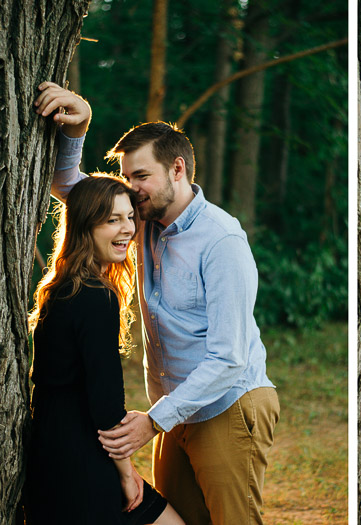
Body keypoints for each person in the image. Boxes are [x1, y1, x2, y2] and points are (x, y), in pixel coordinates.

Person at [36, 81, 280, 525]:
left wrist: (152, 421)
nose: (131, 189)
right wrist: (79, 127)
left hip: (228, 404)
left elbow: (229, 358)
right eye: (127, 177)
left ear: (178, 169)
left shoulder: (221, 240)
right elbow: (72, 189)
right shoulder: (138, 219)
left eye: (140, 176)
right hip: (175, 409)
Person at [25, 175, 184, 525]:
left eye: (129, 217)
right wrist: (127, 475)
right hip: (81, 460)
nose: (127, 228)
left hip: (52, 448)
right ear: (85, 226)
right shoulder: (96, 295)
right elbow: (106, 400)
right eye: (112, 220)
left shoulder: (62, 288)